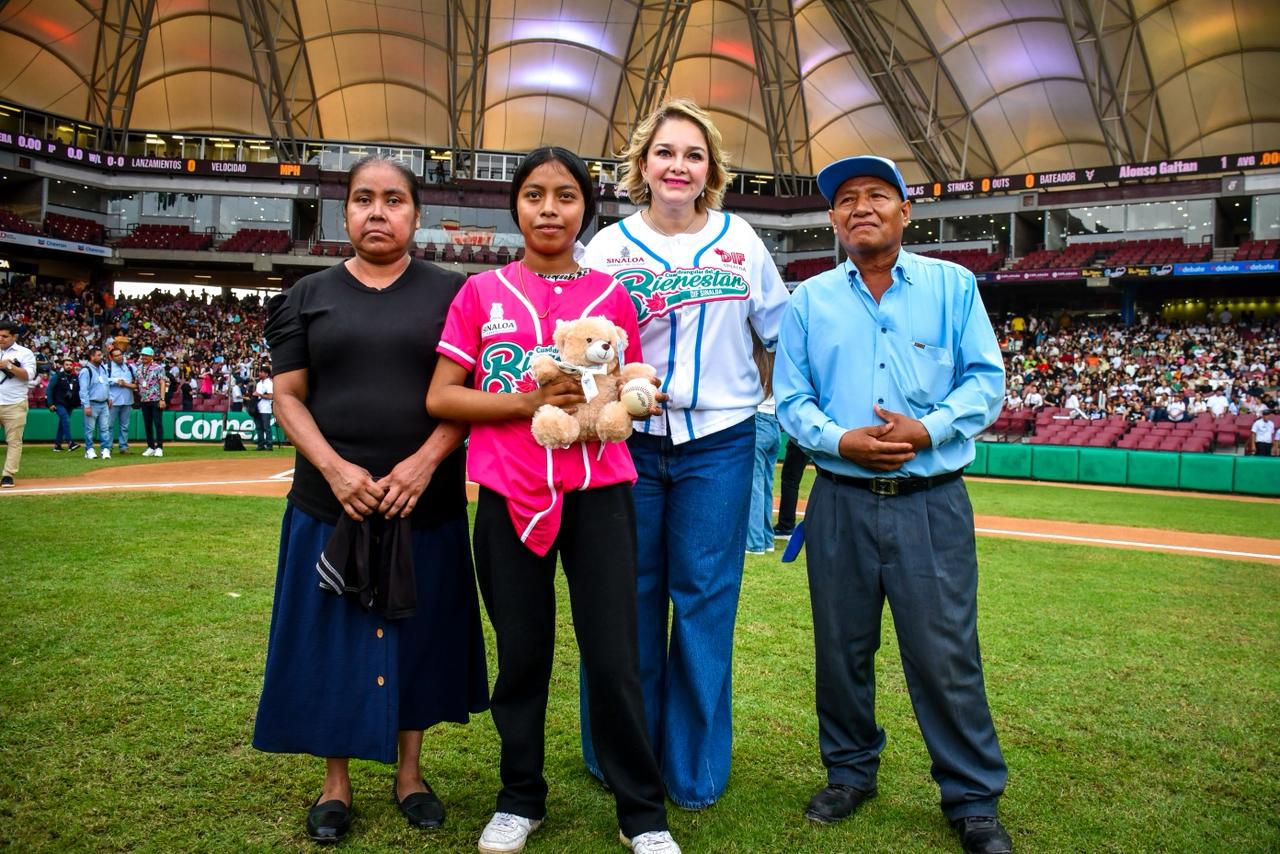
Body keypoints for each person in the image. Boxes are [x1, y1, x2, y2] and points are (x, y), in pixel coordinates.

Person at [428, 147, 679, 854]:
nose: (548, 209)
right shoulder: (482, 292)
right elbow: (441, 395)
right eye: (534, 195)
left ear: (584, 209)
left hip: (599, 495)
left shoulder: (610, 295)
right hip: (510, 495)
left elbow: (632, 381)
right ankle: (520, 798)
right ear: (515, 205)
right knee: (523, 652)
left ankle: (642, 814)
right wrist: (525, 401)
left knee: (613, 655)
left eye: (564, 196)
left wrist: (637, 396)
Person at [775, 155, 1011, 854]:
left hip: (930, 500)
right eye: (846, 199)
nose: (861, 207)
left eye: (877, 195)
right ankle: (849, 771)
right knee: (841, 648)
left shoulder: (952, 285)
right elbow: (791, 400)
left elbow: (984, 382)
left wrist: (929, 428)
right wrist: (840, 439)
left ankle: (971, 798)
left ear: (906, 212)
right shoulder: (808, 301)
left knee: (944, 656)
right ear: (833, 220)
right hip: (840, 500)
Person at [252, 154, 489, 845]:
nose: (377, 212)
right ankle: (336, 783)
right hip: (331, 505)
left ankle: (411, 775)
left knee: (418, 636)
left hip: (428, 502)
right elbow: (288, 397)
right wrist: (334, 471)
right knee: (334, 641)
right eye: (363, 199)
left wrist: (421, 464)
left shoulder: (457, 294)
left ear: (416, 214)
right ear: (345, 212)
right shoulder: (306, 296)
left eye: (393, 200)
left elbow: (468, 395)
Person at [580, 98, 789, 808]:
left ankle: (693, 769)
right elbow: (579, 353)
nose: (678, 165)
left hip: (720, 443)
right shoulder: (606, 248)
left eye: (693, 155)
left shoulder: (743, 242)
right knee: (626, 603)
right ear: (643, 165)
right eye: (665, 152)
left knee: (705, 604)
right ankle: (621, 756)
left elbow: (783, 334)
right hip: (629, 444)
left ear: (711, 171)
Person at [746, 342, 779, 555]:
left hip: (758, 420)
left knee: (755, 485)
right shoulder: (777, 361)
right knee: (766, 484)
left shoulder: (754, 361)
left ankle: (755, 542)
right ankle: (767, 539)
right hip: (773, 423)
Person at [0, 319, 37, 488]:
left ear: (14, 336)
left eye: (4, 336)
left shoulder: (25, 353)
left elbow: (28, 375)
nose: (1, 339)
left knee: (14, 441)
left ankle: (8, 474)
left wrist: (9, 366)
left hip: (14, 403)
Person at [773, 436, 811, 538]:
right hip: (823, 439)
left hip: (801, 438)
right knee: (826, 479)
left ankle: (786, 526)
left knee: (790, 481)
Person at [78, 348, 112, 459]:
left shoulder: (103, 368)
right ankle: (89, 450)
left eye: (101, 355)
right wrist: (86, 405)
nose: (101, 357)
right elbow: (83, 390)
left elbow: (106, 384)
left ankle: (105, 449)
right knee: (89, 429)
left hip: (103, 403)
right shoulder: (85, 371)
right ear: (92, 357)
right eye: (98, 355)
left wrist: (109, 397)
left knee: (105, 428)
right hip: (91, 403)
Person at [135, 346, 168, 457]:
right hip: (144, 399)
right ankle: (150, 446)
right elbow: (137, 384)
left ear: (151, 356)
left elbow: (162, 382)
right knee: (147, 424)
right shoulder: (139, 368)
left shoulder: (158, 368)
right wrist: (124, 384)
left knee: (158, 423)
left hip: (156, 399)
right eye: (142, 355)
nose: (143, 357)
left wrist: (162, 399)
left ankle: (159, 447)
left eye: (146, 355)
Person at [45, 357, 80, 452]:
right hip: (58, 403)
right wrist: (50, 404)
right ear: (63, 366)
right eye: (66, 365)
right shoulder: (57, 376)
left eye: (70, 365)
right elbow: (49, 390)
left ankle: (57, 445)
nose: (69, 366)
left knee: (62, 423)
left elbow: (77, 391)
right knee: (65, 419)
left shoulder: (75, 377)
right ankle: (70, 443)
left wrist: (78, 403)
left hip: (70, 404)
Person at [104, 347, 136, 453]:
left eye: (120, 354)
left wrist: (126, 384)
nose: (119, 357)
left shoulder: (130, 367)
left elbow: (138, 379)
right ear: (111, 357)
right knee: (109, 425)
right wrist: (115, 381)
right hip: (113, 400)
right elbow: (102, 381)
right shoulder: (106, 367)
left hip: (127, 399)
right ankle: (108, 447)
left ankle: (123, 447)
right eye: (116, 355)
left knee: (125, 425)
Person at [251, 365, 274, 451]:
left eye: (261, 372)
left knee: (266, 428)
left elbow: (270, 396)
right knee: (258, 427)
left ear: (266, 374)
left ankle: (269, 445)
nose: (259, 373)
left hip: (265, 409)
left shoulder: (269, 383)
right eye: (259, 372)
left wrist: (259, 395)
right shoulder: (259, 383)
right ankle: (260, 444)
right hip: (258, 408)